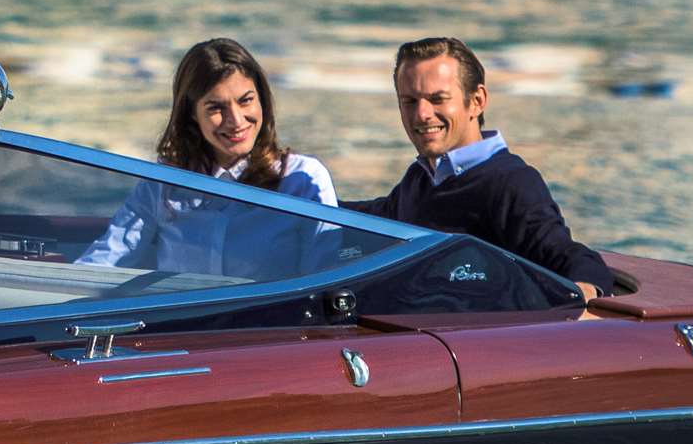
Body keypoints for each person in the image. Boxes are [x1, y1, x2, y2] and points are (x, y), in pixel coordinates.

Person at [371, 35, 621, 299]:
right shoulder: (422, 178)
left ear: (477, 101)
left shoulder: (511, 182)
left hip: (470, 337)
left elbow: (566, 254)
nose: (421, 114)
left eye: (437, 99)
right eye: (409, 101)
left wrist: (585, 294)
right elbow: (375, 217)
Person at [78, 38, 341, 281]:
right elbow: (107, 259)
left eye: (246, 101)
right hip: (183, 329)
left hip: (271, 330)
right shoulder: (164, 182)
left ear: (262, 100)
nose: (236, 121)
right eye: (216, 108)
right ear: (192, 113)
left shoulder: (304, 179)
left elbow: (323, 283)